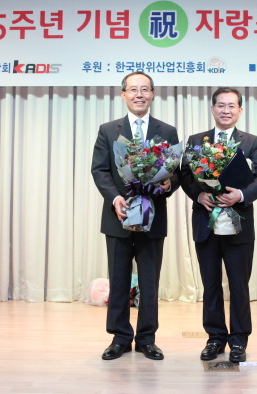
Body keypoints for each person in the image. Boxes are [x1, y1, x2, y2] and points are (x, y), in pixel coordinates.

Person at [91, 71, 180, 361]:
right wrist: (115, 198)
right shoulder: (108, 130)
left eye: (145, 89)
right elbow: (100, 170)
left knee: (150, 281)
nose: (139, 94)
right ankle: (119, 338)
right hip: (118, 216)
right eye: (133, 90)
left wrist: (168, 184)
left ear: (153, 94)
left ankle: (146, 339)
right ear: (123, 94)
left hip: (153, 218)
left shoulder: (167, 131)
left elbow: (177, 171)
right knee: (119, 279)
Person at [180, 87, 257, 363]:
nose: (226, 110)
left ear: (240, 111)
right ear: (212, 109)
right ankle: (215, 338)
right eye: (221, 105)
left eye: (232, 106)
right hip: (206, 222)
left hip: (238, 222)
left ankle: (239, 341)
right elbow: (185, 174)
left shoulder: (251, 142)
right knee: (211, 284)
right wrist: (199, 193)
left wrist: (240, 196)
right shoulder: (197, 140)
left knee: (239, 284)